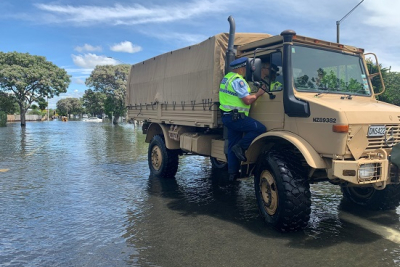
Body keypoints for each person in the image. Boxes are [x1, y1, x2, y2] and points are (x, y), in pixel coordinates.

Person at [219, 57, 267, 181]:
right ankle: (241, 147)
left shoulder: (227, 78)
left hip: (228, 117)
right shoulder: (238, 80)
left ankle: (232, 174)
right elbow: (247, 100)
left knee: (232, 145)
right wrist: (259, 93)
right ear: (241, 68)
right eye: (247, 68)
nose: (248, 70)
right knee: (260, 129)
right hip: (236, 118)